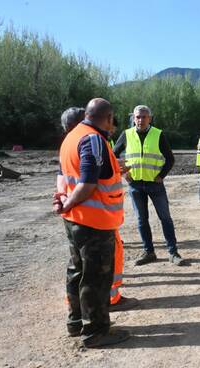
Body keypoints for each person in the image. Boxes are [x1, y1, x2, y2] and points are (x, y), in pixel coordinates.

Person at [53, 97, 130, 347]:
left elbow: (74, 177)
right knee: (96, 278)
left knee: (77, 271)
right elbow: (87, 183)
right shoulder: (94, 138)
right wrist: (69, 203)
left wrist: (66, 205)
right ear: (108, 118)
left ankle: (75, 322)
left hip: (74, 220)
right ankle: (96, 331)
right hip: (93, 221)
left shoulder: (71, 137)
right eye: (112, 120)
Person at [112, 105, 184, 266]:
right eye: (137, 117)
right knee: (141, 220)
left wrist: (161, 175)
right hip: (135, 185)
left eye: (144, 117)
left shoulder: (158, 134)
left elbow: (170, 159)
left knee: (165, 218)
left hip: (155, 184)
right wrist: (124, 173)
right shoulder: (126, 134)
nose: (140, 120)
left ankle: (173, 252)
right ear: (133, 118)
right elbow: (112, 156)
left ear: (150, 118)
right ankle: (149, 252)